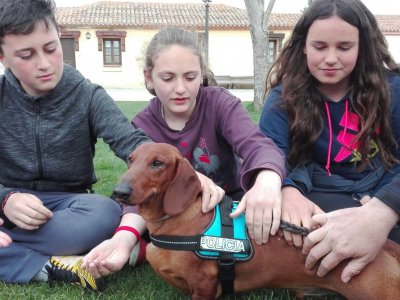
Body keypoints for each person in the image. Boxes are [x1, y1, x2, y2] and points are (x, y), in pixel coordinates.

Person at [82, 27, 286, 278]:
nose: (180, 88)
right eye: (167, 78)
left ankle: (150, 250)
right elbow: (139, 192)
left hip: (224, 208)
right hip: (171, 212)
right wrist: (124, 239)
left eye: (190, 77)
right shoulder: (143, 125)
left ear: (201, 75)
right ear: (149, 78)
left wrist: (267, 179)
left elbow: (257, 145)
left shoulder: (220, 104)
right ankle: (149, 247)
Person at [0, 0, 155, 291]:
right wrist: (5, 200)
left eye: (51, 48)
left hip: (71, 208)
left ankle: (22, 254)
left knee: (107, 213)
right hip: (7, 205)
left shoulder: (87, 95)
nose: (44, 63)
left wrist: (170, 162)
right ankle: (56, 266)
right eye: (26, 55)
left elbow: (133, 143)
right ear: (3, 57)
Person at [259, 0, 400, 284]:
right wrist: (287, 189)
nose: (331, 58)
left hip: (385, 194)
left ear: (363, 48)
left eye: (344, 47)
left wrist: (382, 212)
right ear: (304, 47)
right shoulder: (281, 99)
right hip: (317, 198)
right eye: (320, 47)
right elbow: (268, 155)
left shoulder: (393, 91)